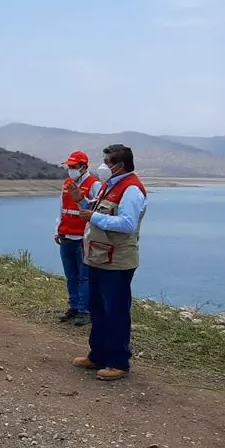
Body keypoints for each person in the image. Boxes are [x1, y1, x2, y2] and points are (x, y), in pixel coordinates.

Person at [72, 144, 147, 381]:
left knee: (115, 311)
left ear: (119, 165)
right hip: (98, 256)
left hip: (118, 261)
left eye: (107, 161)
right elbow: (98, 211)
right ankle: (98, 356)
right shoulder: (109, 185)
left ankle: (118, 362)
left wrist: (92, 216)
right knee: (97, 308)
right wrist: (83, 202)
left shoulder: (132, 190)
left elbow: (127, 224)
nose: (102, 165)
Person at [55, 151, 101, 326]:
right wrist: (57, 229)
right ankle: (73, 306)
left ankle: (84, 310)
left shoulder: (94, 184)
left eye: (74, 167)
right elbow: (62, 207)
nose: (71, 170)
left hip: (83, 238)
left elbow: (96, 208)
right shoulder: (67, 183)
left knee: (84, 276)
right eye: (69, 167)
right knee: (71, 275)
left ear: (84, 167)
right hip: (66, 235)